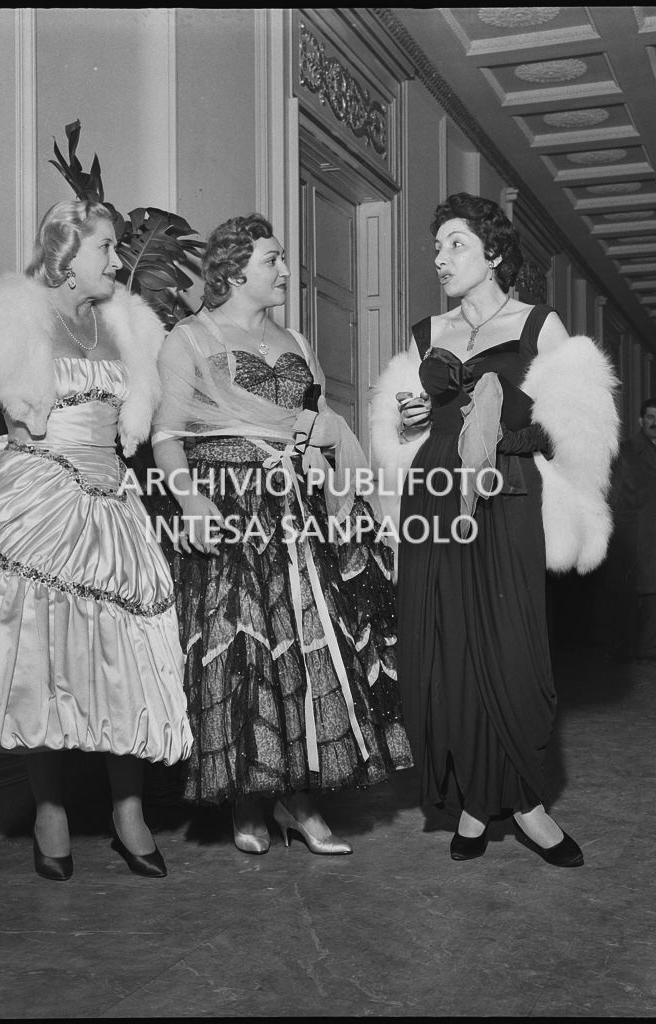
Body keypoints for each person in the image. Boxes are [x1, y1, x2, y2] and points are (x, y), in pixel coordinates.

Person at [0, 199, 193, 881]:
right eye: (106, 247)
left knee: (125, 663)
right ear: (65, 252)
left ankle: (128, 812)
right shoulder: (13, 324)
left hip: (110, 505)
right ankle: (48, 808)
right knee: (37, 661)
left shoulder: (127, 329)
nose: (118, 261)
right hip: (34, 500)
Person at [370, 193, 619, 866]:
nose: (439, 258)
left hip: (504, 495)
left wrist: (503, 418)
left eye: (453, 244)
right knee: (445, 653)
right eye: (435, 247)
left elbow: (576, 427)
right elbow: (401, 431)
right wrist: (411, 422)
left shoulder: (538, 325)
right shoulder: (426, 334)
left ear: (494, 253)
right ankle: (476, 805)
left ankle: (528, 806)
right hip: (432, 500)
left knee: (510, 651)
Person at [151, 214, 412, 856]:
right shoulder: (190, 337)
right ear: (237, 269)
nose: (287, 271)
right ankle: (249, 796)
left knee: (308, 646)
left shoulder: (295, 338)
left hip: (298, 509)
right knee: (243, 649)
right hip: (230, 506)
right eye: (274, 259)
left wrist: (325, 446)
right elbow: (166, 435)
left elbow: (314, 418)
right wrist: (189, 501)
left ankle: (299, 800)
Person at [605, 398, 656, 662]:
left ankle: (649, 648)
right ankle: (622, 648)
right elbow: (613, 496)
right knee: (627, 596)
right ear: (641, 421)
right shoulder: (624, 451)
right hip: (633, 534)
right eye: (650, 417)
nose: (655, 422)